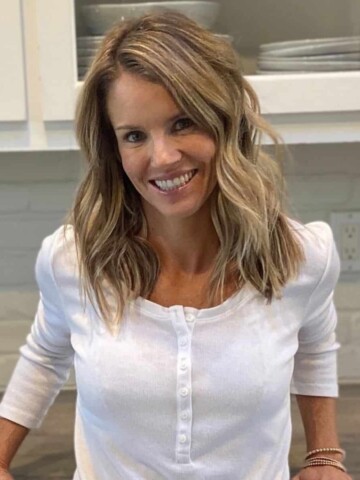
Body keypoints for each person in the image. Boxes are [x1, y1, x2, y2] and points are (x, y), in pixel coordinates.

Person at [0, 11, 351, 480]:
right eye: (135, 136)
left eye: (183, 123)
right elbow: (45, 355)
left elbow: (313, 346)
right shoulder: (75, 260)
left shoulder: (301, 257)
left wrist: (324, 457)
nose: (162, 157)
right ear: (114, 148)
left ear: (223, 121)